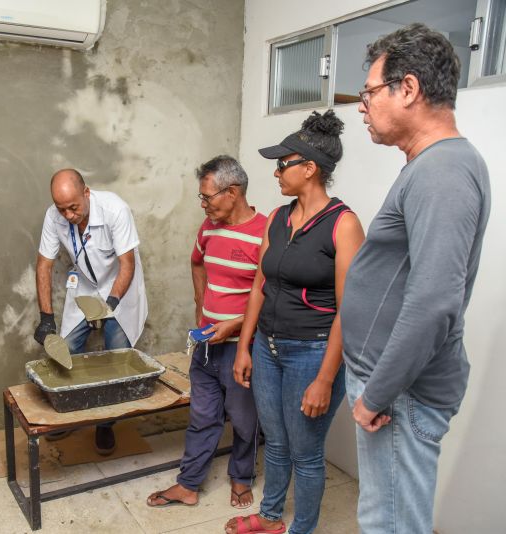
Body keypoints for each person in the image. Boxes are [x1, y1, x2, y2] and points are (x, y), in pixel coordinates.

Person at [340, 24, 490, 534]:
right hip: (390, 386)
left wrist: (376, 394)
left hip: (397, 393)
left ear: (408, 88)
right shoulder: (430, 165)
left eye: (369, 92)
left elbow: (432, 302)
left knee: (392, 523)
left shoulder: (442, 171)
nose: (362, 106)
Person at [226, 111, 365, 534]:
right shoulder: (277, 218)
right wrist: (245, 346)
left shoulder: (344, 225)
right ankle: (270, 517)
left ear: (309, 168)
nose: (276, 172)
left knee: (306, 452)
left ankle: (301, 528)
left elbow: (350, 310)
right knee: (278, 441)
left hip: (313, 353)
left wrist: (325, 377)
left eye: (283, 164)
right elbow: (258, 287)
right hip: (268, 348)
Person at [147, 155, 264, 511]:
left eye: (207, 196)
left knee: (245, 420)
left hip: (240, 347)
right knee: (202, 416)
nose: (203, 204)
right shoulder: (208, 226)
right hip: (207, 347)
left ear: (232, 192)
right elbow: (196, 261)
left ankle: (241, 478)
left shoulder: (265, 232)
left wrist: (234, 326)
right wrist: (201, 308)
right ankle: (189, 484)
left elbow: (270, 295)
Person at [34, 168, 148, 455]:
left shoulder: (115, 209)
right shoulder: (53, 216)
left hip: (120, 286)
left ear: (86, 193)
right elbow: (44, 265)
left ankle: (105, 426)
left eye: (73, 207)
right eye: (62, 210)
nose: (69, 215)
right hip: (84, 282)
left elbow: (127, 264)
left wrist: (109, 306)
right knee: (65, 348)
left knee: (116, 356)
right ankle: (70, 410)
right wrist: (46, 317)